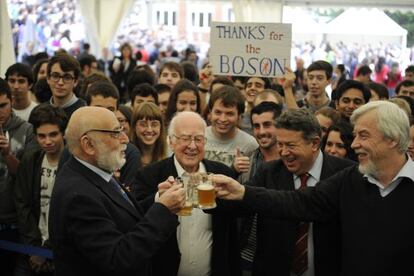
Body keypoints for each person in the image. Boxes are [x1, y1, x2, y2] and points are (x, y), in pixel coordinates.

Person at [214, 101, 414, 275]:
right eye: (355, 135)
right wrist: (242, 192)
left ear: (392, 138)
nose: (354, 144)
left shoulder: (346, 170)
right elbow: (302, 201)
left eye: (363, 135)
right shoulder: (353, 178)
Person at [49, 106, 185, 276]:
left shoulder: (95, 171)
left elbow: (124, 217)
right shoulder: (79, 195)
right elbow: (117, 259)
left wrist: (158, 200)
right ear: (88, 144)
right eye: (115, 133)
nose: (125, 139)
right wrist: (163, 210)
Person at [134, 111, 241, 276]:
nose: (192, 146)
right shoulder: (149, 175)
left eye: (198, 139)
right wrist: (159, 199)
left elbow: (232, 234)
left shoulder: (222, 174)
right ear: (171, 141)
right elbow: (135, 218)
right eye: (185, 138)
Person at [14, 104, 67, 275]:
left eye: (53, 135)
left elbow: (71, 214)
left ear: (63, 133)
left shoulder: (73, 164)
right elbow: (22, 203)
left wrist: (46, 251)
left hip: (62, 252)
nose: (48, 141)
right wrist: (34, 250)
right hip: (31, 247)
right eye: (41, 136)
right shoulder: (31, 160)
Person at [236, 102, 283, 274]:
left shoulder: (292, 163)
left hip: (280, 255)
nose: (261, 131)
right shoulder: (244, 163)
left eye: (267, 125)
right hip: (246, 253)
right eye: (256, 126)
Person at [0, 78, 37, 275]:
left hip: (15, 222)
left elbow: (26, 178)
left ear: (11, 102)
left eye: (2, 106)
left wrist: (7, 154)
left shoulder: (27, 130)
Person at [204, 85, 258, 167]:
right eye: (218, 112)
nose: (222, 119)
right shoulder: (199, 137)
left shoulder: (250, 144)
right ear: (210, 113)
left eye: (229, 114)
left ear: (239, 116)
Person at [46, 53, 86, 119]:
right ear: (48, 78)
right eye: (55, 76)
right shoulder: (39, 111)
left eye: (67, 78)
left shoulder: (84, 112)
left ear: (75, 81)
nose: (60, 82)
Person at [131, 102, 167, 167]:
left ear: (161, 127)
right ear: (134, 127)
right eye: (143, 124)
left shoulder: (169, 157)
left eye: (154, 124)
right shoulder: (125, 157)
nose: (149, 130)